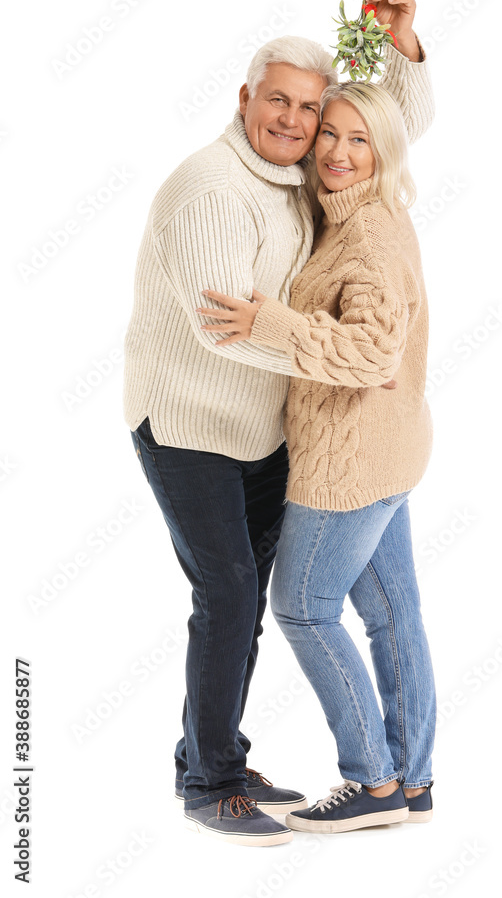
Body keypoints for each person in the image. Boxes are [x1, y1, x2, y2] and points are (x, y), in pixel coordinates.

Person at [123, 0, 434, 846]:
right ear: (244, 100)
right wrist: (343, 353)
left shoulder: (303, 172)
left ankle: (229, 751)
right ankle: (210, 779)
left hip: (268, 432)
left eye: (311, 108)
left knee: (264, 603)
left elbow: (377, 131)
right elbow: (227, 330)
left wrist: (400, 50)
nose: (304, 126)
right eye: (284, 104)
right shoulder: (213, 190)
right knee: (229, 598)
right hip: (191, 427)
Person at [198, 78, 436, 835]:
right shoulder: (360, 212)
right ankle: (413, 780)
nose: (334, 151)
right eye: (326, 132)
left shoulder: (365, 234)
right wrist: (395, 47)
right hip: (392, 448)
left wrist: (269, 324)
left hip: (349, 462)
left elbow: (370, 353)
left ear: (383, 150)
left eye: (357, 140)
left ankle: (372, 783)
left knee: (303, 607)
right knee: (392, 615)